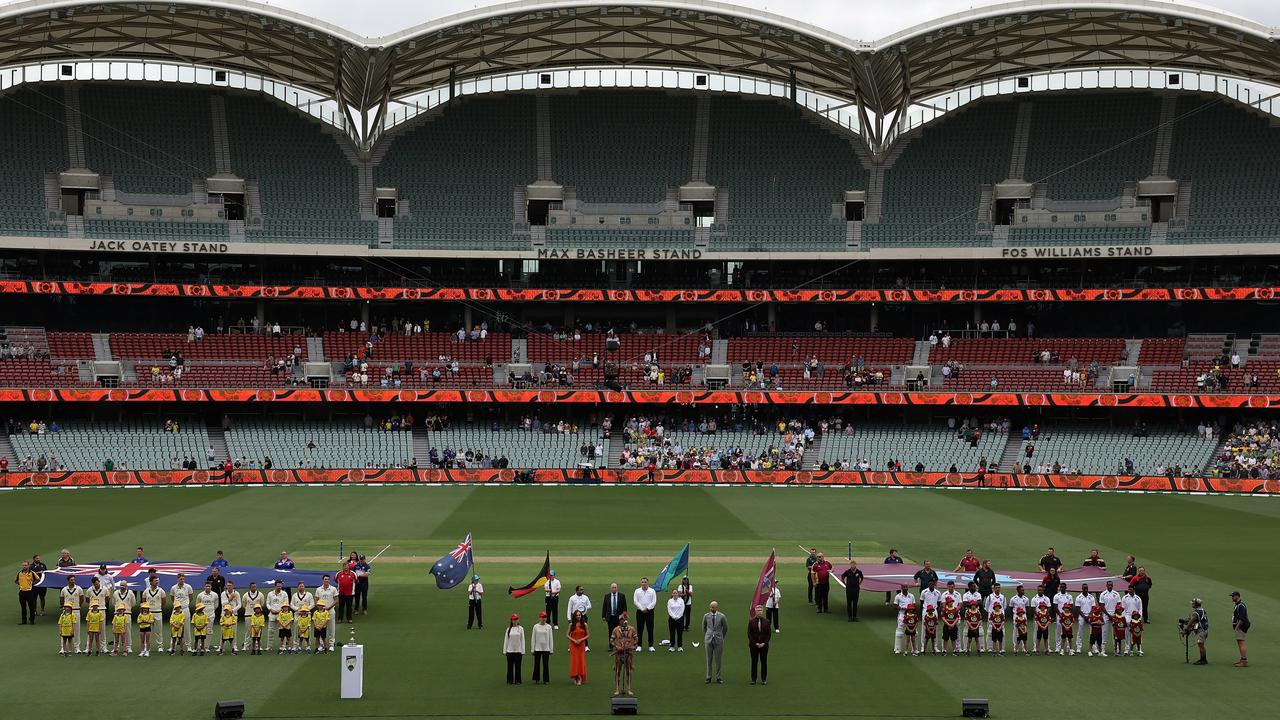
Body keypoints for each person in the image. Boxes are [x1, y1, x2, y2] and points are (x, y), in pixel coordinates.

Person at [610, 612, 638, 696]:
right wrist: (616, 646)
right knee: (618, 671)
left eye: (626, 619)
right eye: (623, 620)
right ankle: (617, 688)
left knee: (628, 671)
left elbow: (636, 639)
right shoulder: (615, 630)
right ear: (620, 621)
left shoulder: (631, 629)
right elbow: (611, 641)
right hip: (619, 654)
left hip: (628, 653)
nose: (625, 621)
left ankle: (629, 688)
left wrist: (633, 646)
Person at [702, 601, 727, 684]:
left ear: (717, 607)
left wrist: (721, 636)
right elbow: (704, 627)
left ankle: (718, 677)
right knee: (709, 659)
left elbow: (725, 628)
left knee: (718, 659)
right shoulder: (706, 616)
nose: (711, 608)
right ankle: (708, 677)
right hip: (708, 640)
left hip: (718, 640)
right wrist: (707, 635)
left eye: (713, 607)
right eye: (710, 607)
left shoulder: (722, 616)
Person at [84, 576, 110, 653]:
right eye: (95, 584)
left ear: (99, 581)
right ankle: (88, 648)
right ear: (93, 584)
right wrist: (93, 606)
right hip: (92, 611)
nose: (96, 585)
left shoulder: (105, 589)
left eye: (97, 584)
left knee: (102, 629)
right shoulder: (89, 590)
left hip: (102, 610)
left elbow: (107, 598)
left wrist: (101, 605)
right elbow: (87, 600)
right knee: (90, 630)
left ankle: (103, 647)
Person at [140, 576, 166, 654]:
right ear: (150, 582)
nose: (157, 582)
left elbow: (164, 601)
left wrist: (158, 608)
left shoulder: (161, 591)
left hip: (158, 612)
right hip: (148, 613)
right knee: (147, 631)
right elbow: (143, 602)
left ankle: (160, 646)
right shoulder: (146, 591)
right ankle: (146, 647)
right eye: (155, 581)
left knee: (158, 631)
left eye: (157, 581)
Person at [58, 576, 83, 654]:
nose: (73, 581)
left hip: (76, 610)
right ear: (68, 581)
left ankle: (77, 647)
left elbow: (81, 599)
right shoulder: (64, 589)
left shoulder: (79, 589)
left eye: (74, 580)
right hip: (66, 612)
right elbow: (61, 599)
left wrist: (77, 606)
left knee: (76, 629)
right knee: (64, 629)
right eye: (71, 580)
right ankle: (63, 648)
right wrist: (65, 607)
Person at [170, 573, 194, 652]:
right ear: (178, 579)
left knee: (187, 627)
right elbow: (172, 598)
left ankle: (189, 646)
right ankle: (172, 646)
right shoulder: (173, 588)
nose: (182, 580)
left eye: (183, 579)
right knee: (174, 627)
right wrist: (177, 606)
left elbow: (191, 597)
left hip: (185, 609)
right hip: (176, 609)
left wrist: (185, 604)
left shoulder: (188, 587)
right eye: (181, 579)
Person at [748, 605, 771, 685]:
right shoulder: (751, 622)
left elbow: (768, 634)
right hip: (754, 646)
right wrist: (755, 643)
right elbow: (749, 634)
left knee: (764, 662)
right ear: (755, 612)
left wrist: (764, 643)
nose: (759, 612)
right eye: (758, 610)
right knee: (754, 661)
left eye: (760, 610)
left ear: (762, 611)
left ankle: (764, 679)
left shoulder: (767, 622)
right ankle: (753, 679)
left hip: (764, 646)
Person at [632, 577, 657, 652]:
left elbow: (654, 602)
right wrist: (642, 608)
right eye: (642, 582)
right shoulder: (637, 591)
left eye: (645, 582)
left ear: (648, 583)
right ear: (641, 583)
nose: (644, 583)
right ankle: (639, 645)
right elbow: (635, 601)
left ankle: (651, 645)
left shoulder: (652, 591)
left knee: (650, 629)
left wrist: (647, 608)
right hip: (640, 612)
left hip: (649, 612)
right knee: (640, 629)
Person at [110, 581, 135, 654]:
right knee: (116, 631)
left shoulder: (130, 593)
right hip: (117, 615)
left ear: (126, 586)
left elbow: (133, 603)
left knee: (127, 631)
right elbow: (113, 603)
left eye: (124, 585)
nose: (122, 586)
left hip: (127, 614)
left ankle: (128, 647)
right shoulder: (115, 593)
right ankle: (116, 647)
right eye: (121, 585)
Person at [265, 580, 289, 651]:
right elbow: (267, 603)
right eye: (278, 586)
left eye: (280, 586)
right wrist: (271, 609)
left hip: (281, 615)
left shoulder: (284, 594)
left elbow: (286, 603)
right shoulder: (270, 594)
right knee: (270, 631)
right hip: (272, 614)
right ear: (275, 586)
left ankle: (283, 646)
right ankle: (269, 647)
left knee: (282, 631)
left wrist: (280, 610)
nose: (279, 587)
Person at [241, 582, 265, 651]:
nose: (254, 588)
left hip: (258, 616)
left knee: (258, 631)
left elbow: (262, 604)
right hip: (248, 615)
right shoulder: (246, 595)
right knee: (248, 631)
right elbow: (244, 604)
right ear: (250, 587)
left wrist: (258, 612)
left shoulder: (260, 595)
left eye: (255, 587)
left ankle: (258, 646)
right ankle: (246, 645)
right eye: (252, 587)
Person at [567, 610, 589, 685]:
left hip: (581, 645)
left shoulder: (584, 624)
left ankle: (579, 676)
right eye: (577, 615)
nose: (578, 616)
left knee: (581, 660)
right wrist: (574, 640)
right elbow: (567, 635)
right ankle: (575, 676)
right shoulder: (571, 625)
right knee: (575, 661)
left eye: (579, 615)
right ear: (574, 616)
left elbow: (588, 635)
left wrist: (581, 640)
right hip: (573, 645)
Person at [1098, 580, 1122, 650]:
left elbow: (1118, 605)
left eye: (1111, 585)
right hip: (1106, 614)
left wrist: (1115, 614)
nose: (1110, 586)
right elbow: (1102, 606)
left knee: (1115, 632)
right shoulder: (1103, 594)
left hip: (1115, 614)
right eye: (1109, 585)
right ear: (1106, 585)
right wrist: (1108, 615)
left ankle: (1116, 647)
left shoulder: (1116, 594)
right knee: (1104, 631)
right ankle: (1103, 648)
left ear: (1113, 585)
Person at [566, 586, 592, 650]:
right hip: (574, 616)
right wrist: (569, 618)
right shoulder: (572, 598)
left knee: (584, 630)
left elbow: (589, 606)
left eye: (583, 590)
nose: (582, 591)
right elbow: (569, 608)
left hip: (583, 616)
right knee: (573, 631)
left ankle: (586, 646)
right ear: (577, 590)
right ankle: (571, 646)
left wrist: (584, 607)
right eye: (581, 590)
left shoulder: (585, 597)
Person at [531, 611, 553, 684]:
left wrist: (551, 649)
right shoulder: (536, 626)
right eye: (542, 617)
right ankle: (536, 679)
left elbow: (551, 638)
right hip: (537, 648)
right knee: (537, 664)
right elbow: (533, 638)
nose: (543, 619)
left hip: (546, 649)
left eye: (545, 617)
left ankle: (546, 679)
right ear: (539, 618)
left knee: (545, 664)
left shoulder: (549, 627)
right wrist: (532, 649)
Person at [504, 614, 526, 684]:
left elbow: (522, 640)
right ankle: (510, 680)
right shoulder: (508, 629)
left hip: (518, 651)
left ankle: (518, 680)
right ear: (511, 620)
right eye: (513, 619)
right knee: (510, 667)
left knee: (518, 666)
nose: (515, 621)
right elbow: (506, 640)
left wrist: (523, 650)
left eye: (516, 619)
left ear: (518, 620)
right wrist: (505, 650)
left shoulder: (521, 629)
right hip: (510, 651)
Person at [1073, 584, 1095, 653]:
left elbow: (1093, 608)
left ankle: (1093, 647)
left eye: (1086, 588)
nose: (1086, 589)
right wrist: (1084, 616)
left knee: (1092, 632)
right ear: (1082, 589)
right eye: (1084, 588)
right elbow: (1078, 609)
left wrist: (1089, 615)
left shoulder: (1091, 597)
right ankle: (1078, 647)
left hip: (1090, 616)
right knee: (1080, 632)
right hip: (1082, 616)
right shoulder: (1078, 597)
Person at [893, 584, 914, 654]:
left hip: (910, 615)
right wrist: (901, 608)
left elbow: (914, 605)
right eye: (903, 587)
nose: (905, 588)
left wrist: (910, 609)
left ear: (908, 588)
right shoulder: (898, 596)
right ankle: (897, 649)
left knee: (913, 631)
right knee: (899, 632)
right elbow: (895, 605)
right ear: (901, 588)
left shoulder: (911, 596)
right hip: (902, 614)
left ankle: (914, 649)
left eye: (906, 587)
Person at [1231, 591, 1250, 667]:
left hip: (1241, 627)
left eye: (1233, 596)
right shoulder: (1238, 605)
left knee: (1241, 642)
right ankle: (1242, 659)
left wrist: (1237, 627)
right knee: (1240, 642)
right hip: (1240, 626)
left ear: (1237, 596)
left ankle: (1244, 661)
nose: (1232, 598)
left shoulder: (1241, 605)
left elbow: (1242, 618)